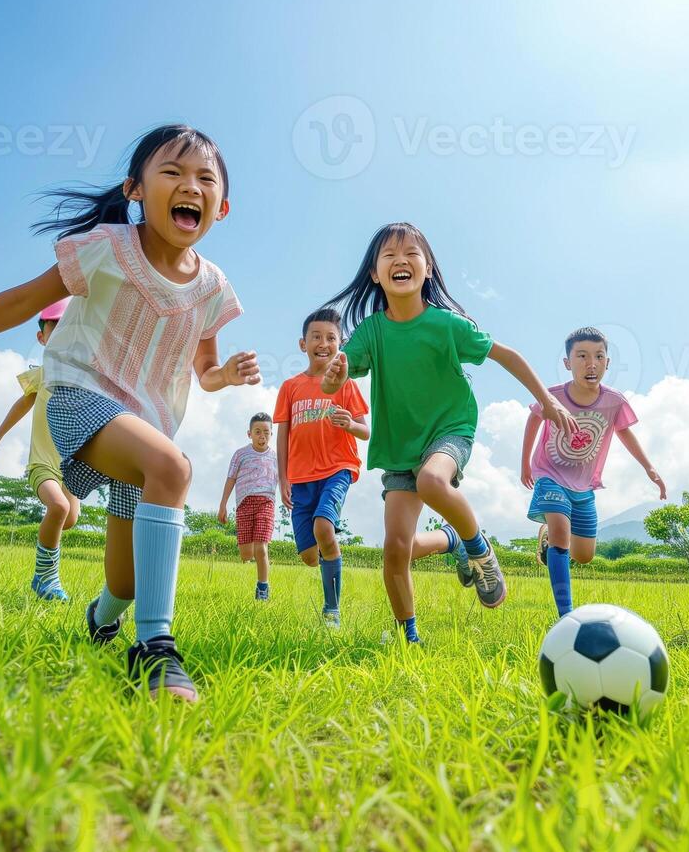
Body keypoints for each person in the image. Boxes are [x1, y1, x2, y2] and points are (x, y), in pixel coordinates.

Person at [0, 124, 259, 701]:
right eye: (172, 173)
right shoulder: (108, 247)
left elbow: (205, 371)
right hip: (79, 395)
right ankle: (155, 651)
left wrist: (226, 377)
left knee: (125, 584)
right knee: (173, 469)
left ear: (221, 208)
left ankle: (103, 619)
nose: (190, 186)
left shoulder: (213, 288)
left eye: (205, 179)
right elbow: (24, 300)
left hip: (146, 425)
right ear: (135, 190)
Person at [320, 222, 578, 643]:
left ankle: (479, 548)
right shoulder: (370, 332)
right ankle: (411, 635)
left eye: (411, 254)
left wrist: (547, 403)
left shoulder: (446, 324)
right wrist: (335, 375)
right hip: (399, 446)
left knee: (433, 480)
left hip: (450, 428)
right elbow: (335, 383)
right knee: (395, 550)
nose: (400, 260)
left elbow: (506, 355)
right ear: (374, 273)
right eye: (389, 255)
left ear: (427, 268)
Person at [275, 307, 466, 627]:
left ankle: (331, 610)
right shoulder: (290, 387)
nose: (323, 343)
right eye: (316, 337)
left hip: (337, 468)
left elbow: (366, 431)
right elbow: (283, 434)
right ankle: (446, 539)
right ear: (302, 344)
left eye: (331, 338)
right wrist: (282, 478)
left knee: (324, 527)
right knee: (309, 556)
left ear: (342, 344)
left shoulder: (345, 384)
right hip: (300, 476)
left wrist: (350, 424)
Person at [520, 326, 666, 616]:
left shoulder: (614, 401)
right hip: (549, 474)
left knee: (583, 556)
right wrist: (525, 462)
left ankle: (548, 535)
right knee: (562, 534)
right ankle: (566, 615)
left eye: (599, 356)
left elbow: (624, 432)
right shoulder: (552, 396)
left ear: (607, 363)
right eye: (582, 356)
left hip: (584, 485)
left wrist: (649, 467)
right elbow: (533, 420)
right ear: (567, 363)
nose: (592, 363)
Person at [0, 298, 82, 601]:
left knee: (71, 518)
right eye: (56, 328)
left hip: (71, 465)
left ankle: (44, 547)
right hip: (43, 464)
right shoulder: (43, 373)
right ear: (42, 337)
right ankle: (45, 578)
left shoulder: (84, 375)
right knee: (59, 508)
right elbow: (23, 403)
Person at [217, 413, 279, 601]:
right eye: (257, 432)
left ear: (271, 434)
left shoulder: (276, 457)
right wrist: (223, 505)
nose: (262, 436)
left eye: (266, 432)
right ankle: (262, 558)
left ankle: (263, 588)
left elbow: (286, 479)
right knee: (246, 554)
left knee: (261, 547)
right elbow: (231, 478)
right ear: (249, 434)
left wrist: (288, 495)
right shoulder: (240, 454)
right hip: (244, 503)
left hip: (266, 502)